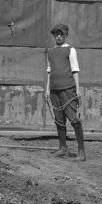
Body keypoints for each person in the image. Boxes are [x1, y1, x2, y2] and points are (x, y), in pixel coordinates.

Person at [45, 23, 85, 160]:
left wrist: (78, 89)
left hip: (68, 89)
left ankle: (81, 152)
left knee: (73, 119)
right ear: (54, 35)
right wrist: (47, 89)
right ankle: (62, 148)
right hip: (54, 90)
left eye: (61, 34)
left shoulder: (70, 50)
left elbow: (75, 70)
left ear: (66, 35)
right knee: (59, 120)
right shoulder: (50, 51)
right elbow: (49, 71)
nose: (59, 36)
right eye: (57, 34)